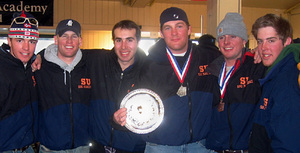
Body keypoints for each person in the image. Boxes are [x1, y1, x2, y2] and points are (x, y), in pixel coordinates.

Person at [114, 7, 219, 153]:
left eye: (179, 26)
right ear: (161, 33)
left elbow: (234, 62)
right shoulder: (148, 64)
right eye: (168, 28)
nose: (174, 33)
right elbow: (132, 100)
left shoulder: (208, 58)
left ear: (189, 29)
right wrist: (119, 119)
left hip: (200, 145)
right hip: (160, 146)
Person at [204, 13, 266, 153]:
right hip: (214, 149)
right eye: (222, 37)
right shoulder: (210, 71)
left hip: (246, 149)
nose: (226, 42)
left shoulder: (257, 67)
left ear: (244, 40)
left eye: (233, 36)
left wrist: (263, 51)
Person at [88, 20, 146, 153]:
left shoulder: (149, 69)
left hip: (132, 149)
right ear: (113, 41)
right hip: (98, 147)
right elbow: (68, 51)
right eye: (119, 40)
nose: (124, 47)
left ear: (138, 41)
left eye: (129, 40)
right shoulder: (98, 60)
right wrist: (38, 57)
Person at [35, 19, 91, 153]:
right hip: (51, 148)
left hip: (82, 147)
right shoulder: (40, 68)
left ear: (80, 41)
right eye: (64, 36)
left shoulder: (90, 66)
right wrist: (37, 56)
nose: (69, 41)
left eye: (74, 36)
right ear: (56, 39)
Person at [249, 14, 300, 153]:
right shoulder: (273, 75)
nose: (263, 48)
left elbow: (288, 143)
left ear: (287, 42)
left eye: (271, 40)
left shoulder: (287, 81)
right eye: (260, 41)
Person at [0, 11, 39, 153]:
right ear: (9, 40)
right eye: (19, 40)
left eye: (32, 42)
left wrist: (38, 57)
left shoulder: (32, 66)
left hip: (28, 147)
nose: (26, 48)